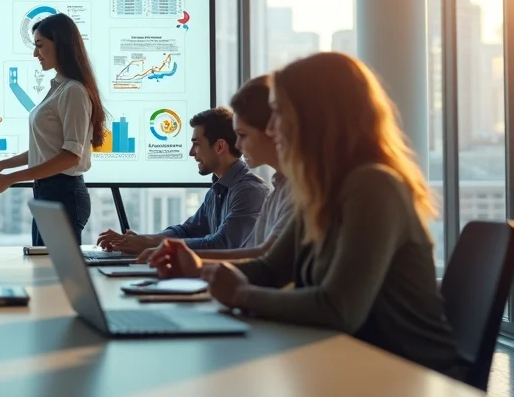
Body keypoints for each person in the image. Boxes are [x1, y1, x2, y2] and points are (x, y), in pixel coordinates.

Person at [167, 52, 462, 376]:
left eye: (279, 113)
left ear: (316, 119)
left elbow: (338, 308)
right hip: (353, 364)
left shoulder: (373, 186)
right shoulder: (322, 189)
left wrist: (240, 294)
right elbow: (270, 269)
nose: (271, 128)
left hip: (408, 376)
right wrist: (199, 271)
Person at [0, 13, 106, 246]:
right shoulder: (59, 87)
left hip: (63, 193)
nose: (36, 53)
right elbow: (46, 149)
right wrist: (2, 165)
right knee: (43, 263)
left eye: (40, 45)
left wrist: (11, 179)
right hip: (49, 192)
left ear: (61, 44)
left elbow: (70, 156)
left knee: (53, 266)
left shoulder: (73, 91)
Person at [140, 75, 293, 266]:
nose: (237, 145)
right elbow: (259, 254)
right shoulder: (223, 191)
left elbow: (241, 250)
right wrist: (147, 241)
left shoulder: (253, 190)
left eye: (242, 134)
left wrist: (171, 252)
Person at [96, 107, 269, 255]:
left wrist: (150, 244)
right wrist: (142, 239)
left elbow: (222, 245)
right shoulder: (218, 190)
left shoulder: (249, 191)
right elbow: (186, 231)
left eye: (197, 144)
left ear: (219, 146)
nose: (191, 153)